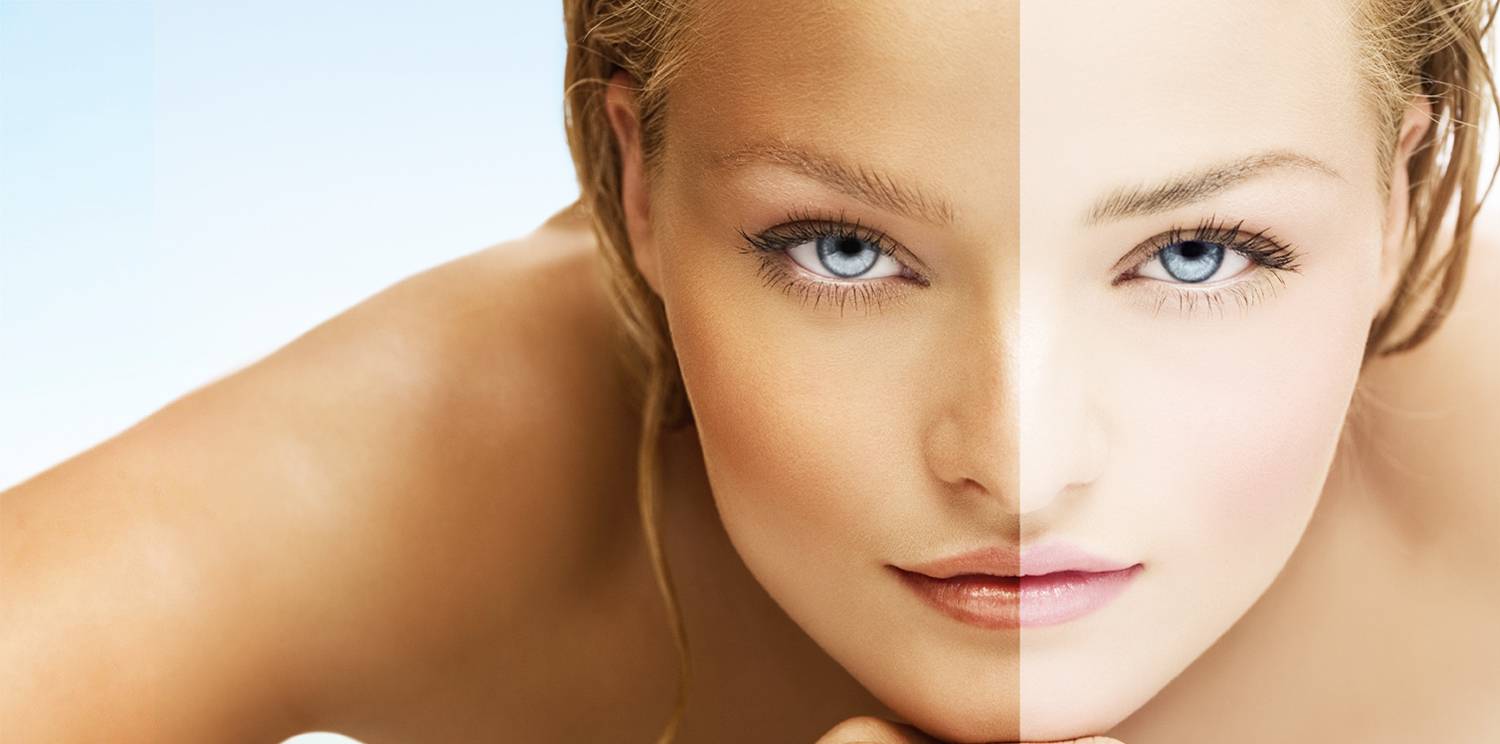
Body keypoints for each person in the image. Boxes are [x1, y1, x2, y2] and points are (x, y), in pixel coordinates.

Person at [3, 1, 1497, 742]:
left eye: (1195, 254)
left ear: (1406, 192)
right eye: (843, 250)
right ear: (637, 191)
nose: (1021, 462)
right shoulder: (452, 456)